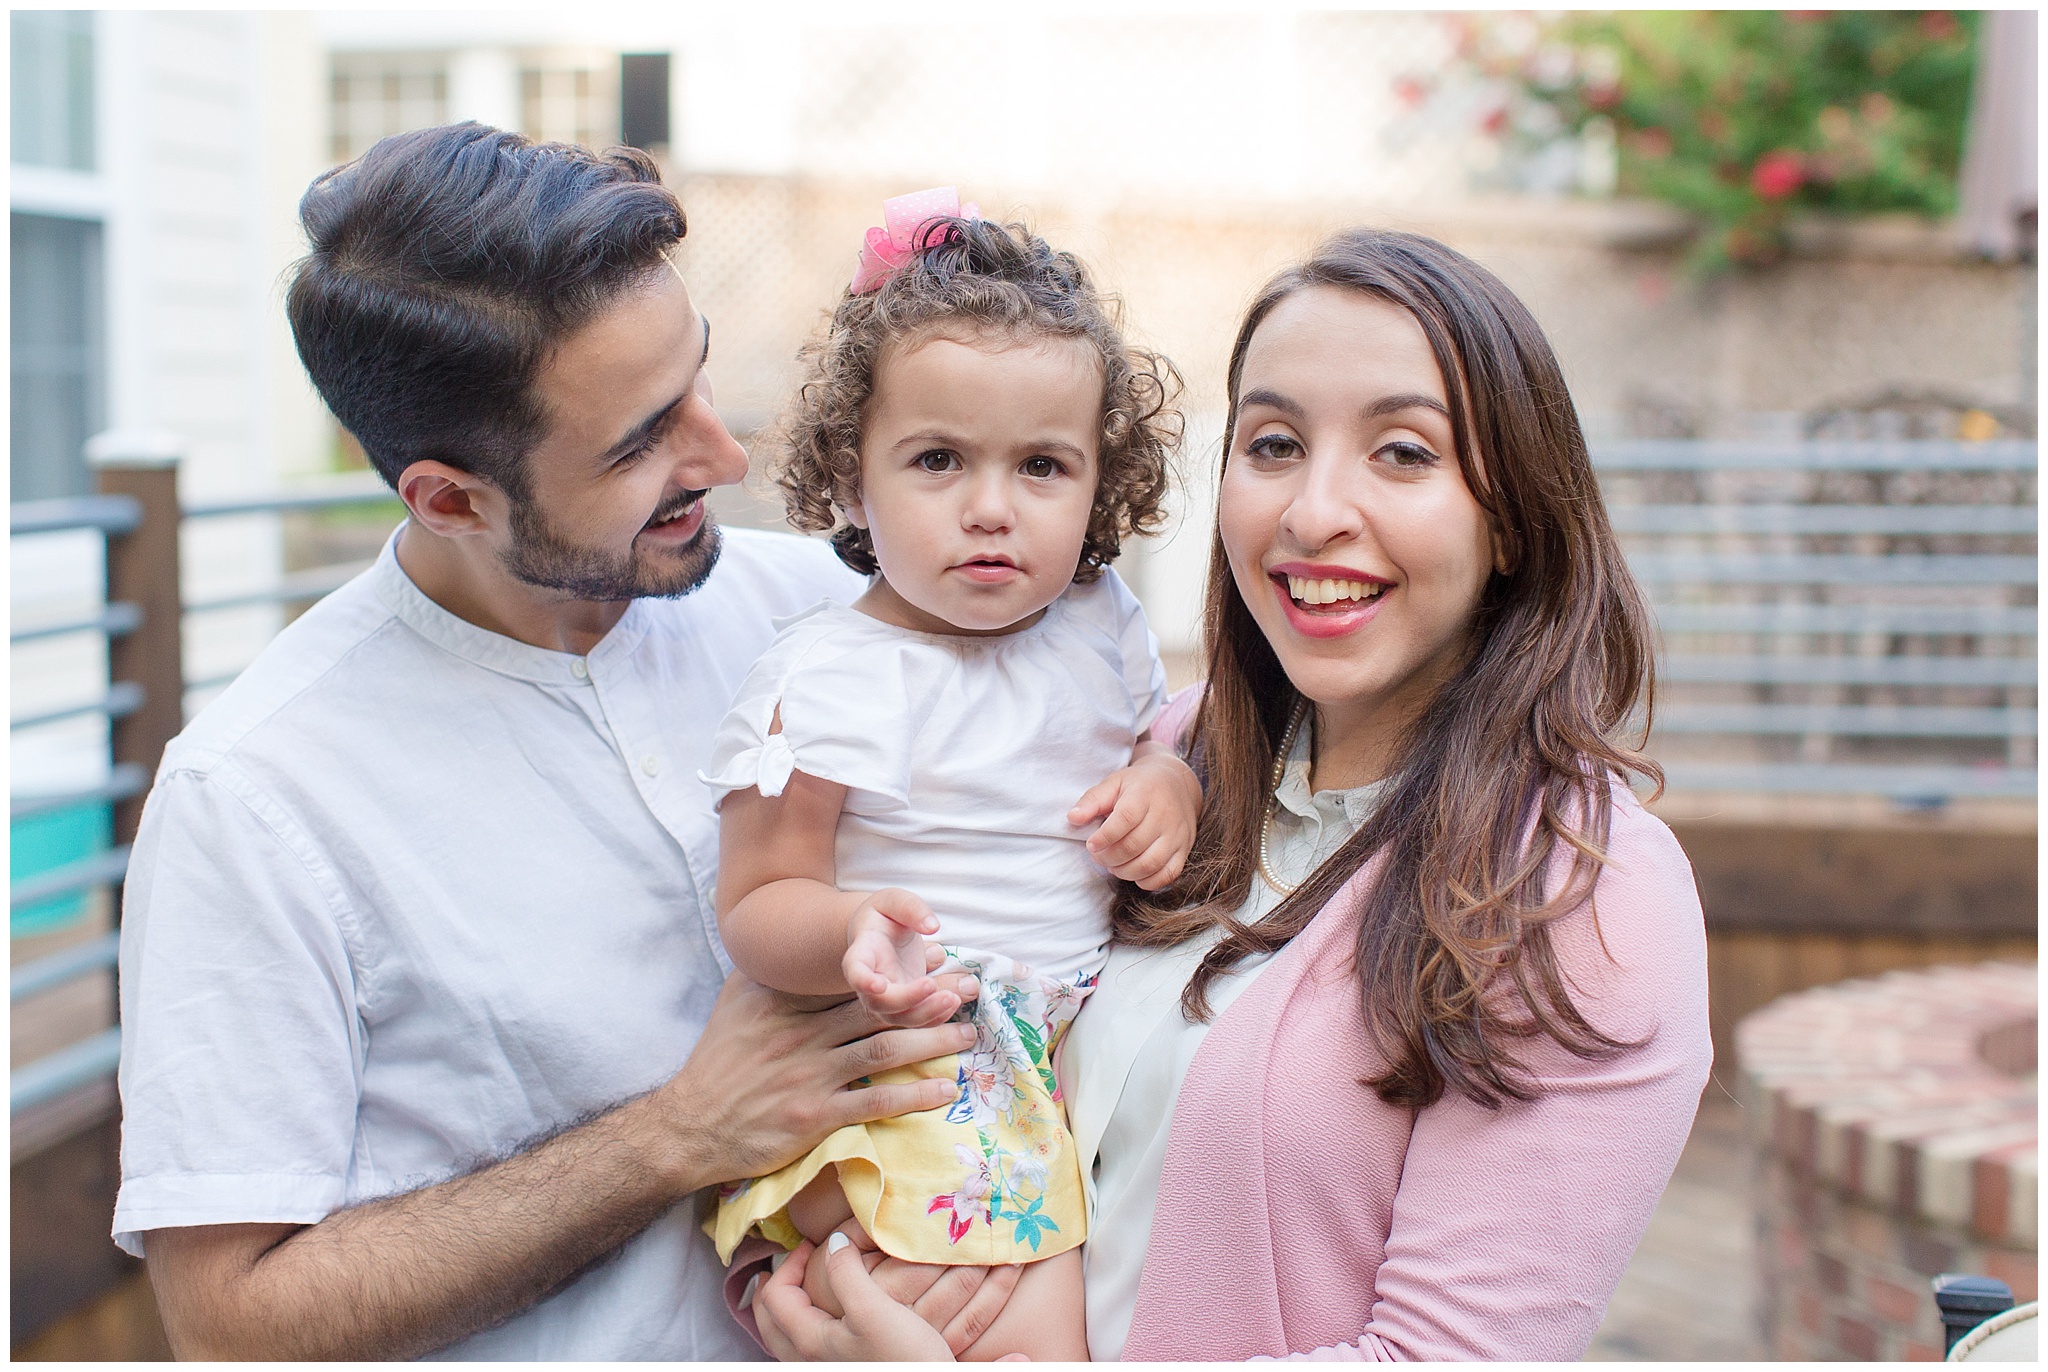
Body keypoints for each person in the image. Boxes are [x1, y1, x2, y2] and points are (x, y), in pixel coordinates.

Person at [112, 125, 1017, 1361]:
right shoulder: (257, 796)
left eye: (697, 376)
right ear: (450, 498)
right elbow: (230, 1322)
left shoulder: (832, 613)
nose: (723, 453)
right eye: (641, 440)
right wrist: (676, 1135)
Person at [750, 228, 1714, 1361]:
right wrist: (809, 1293)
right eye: (1271, 444)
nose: (1312, 512)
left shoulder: (1581, 890)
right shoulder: (1165, 756)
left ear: (1511, 515)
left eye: (1401, 453)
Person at [703, 194, 1198, 1362]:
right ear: (850, 474)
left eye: (1041, 465)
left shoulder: (1097, 621)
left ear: (1100, 485)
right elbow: (755, 901)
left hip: (1072, 1049)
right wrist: (848, 929)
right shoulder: (828, 677)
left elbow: (1151, 745)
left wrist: (1167, 786)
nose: (990, 507)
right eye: (936, 460)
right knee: (1028, 1328)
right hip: (921, 1062)